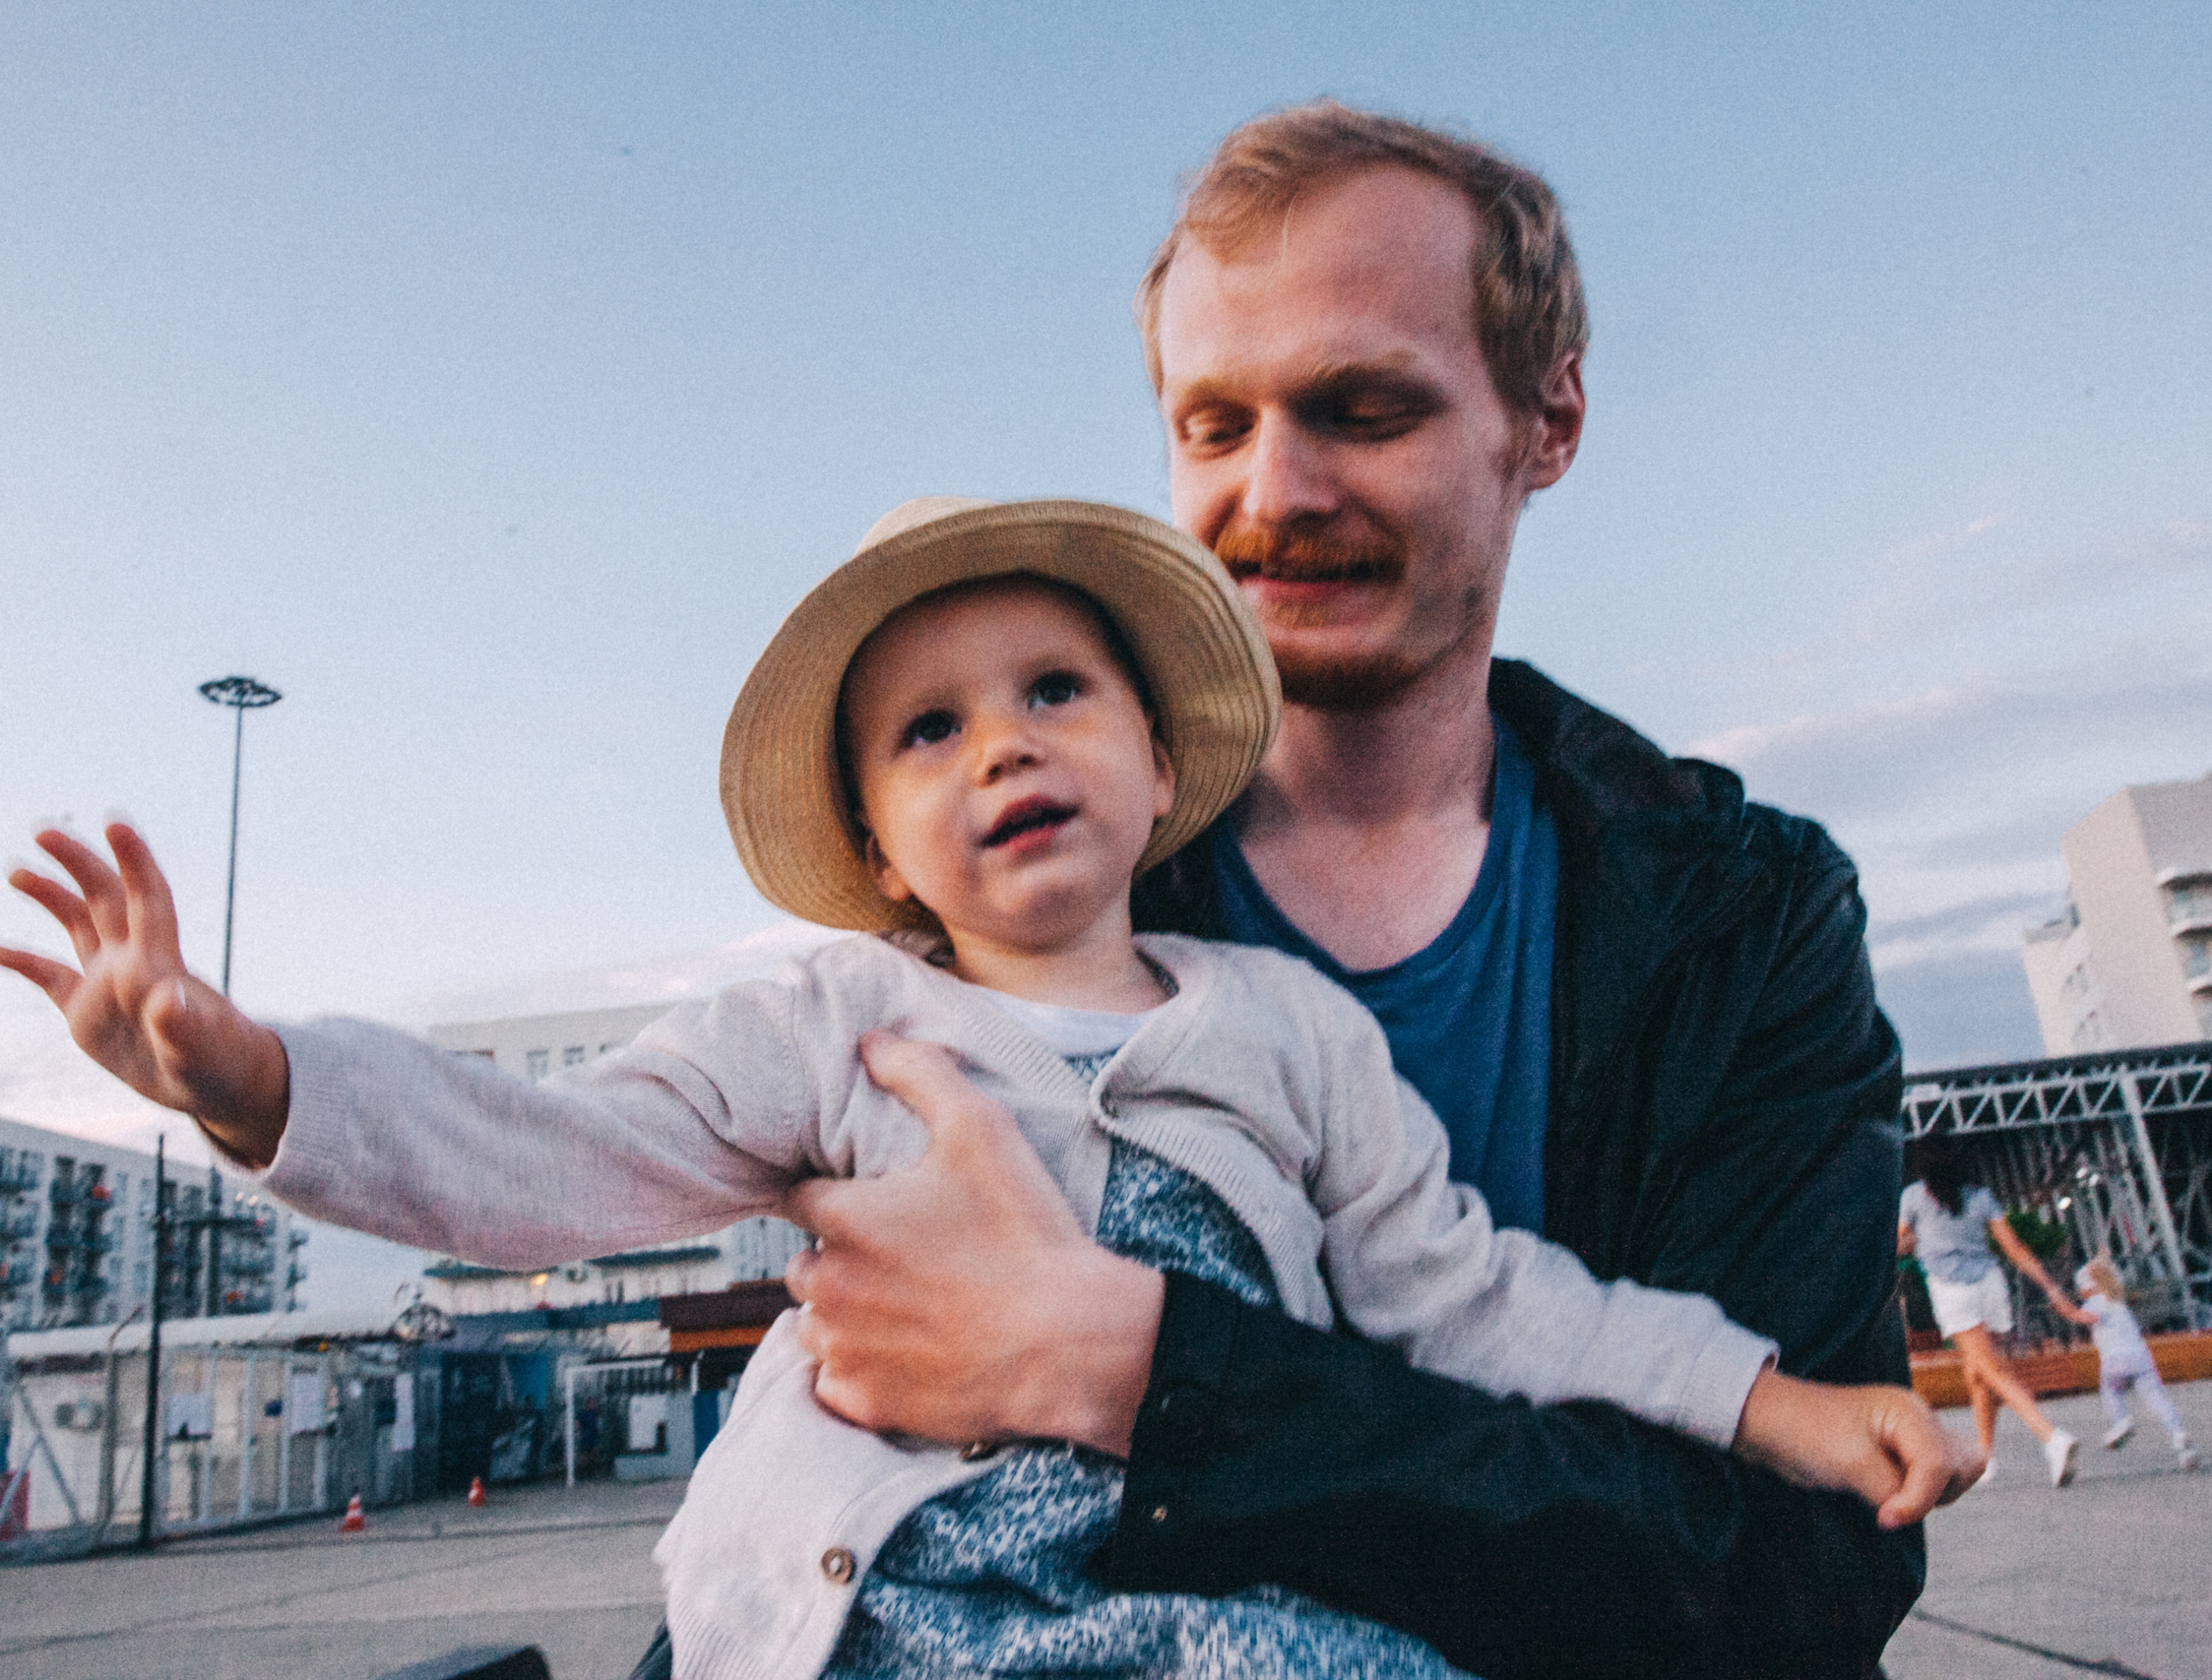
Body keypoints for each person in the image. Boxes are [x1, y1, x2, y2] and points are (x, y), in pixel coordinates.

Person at [0, 498, 1970, 1680]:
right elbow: (546, 1153)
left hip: (1192, 1590)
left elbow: (1478, 1299)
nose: (997, 744)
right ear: (873, 843)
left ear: (1147, 754)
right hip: (882, 1606)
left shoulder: (1281, 1032)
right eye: (926, 729)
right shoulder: (831, 1020)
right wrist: (254, 1080)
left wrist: (1768, 1395)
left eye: (1049, 690)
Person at [779, 102, 1945, 1679]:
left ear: (1549, 420)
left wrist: (1145, 1371)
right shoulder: (998, 903)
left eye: (1363, 407)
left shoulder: (1746, 917)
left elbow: (1787, 1568)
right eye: (1213, 424)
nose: (1277, 490)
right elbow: (824, 1516)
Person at [1897, 1135, 2083, 1487]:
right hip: (1990, 1285)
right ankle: (1985, 1459)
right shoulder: (1979, 1197)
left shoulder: (1913, 1198)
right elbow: (2012, 1246)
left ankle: (2051, 1437)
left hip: (1953, 1290)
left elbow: (1898, 1243)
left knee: (1991, 1370)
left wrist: (1913, 1243)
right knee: (1978, 1376)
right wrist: (2053, 1289)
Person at [2065, 1255, 2199, 1470]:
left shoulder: (2095, 1303)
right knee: (2158, 1400)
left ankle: (2121, 1422)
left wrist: (2061, 1305)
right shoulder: (2117, 1302)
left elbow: (2081, 1317)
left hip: (2114, 1361)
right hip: (2141, 1358)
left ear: (2088, 1288)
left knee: (2110, 1390)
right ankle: (2180, 1439)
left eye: (2080, 1287)